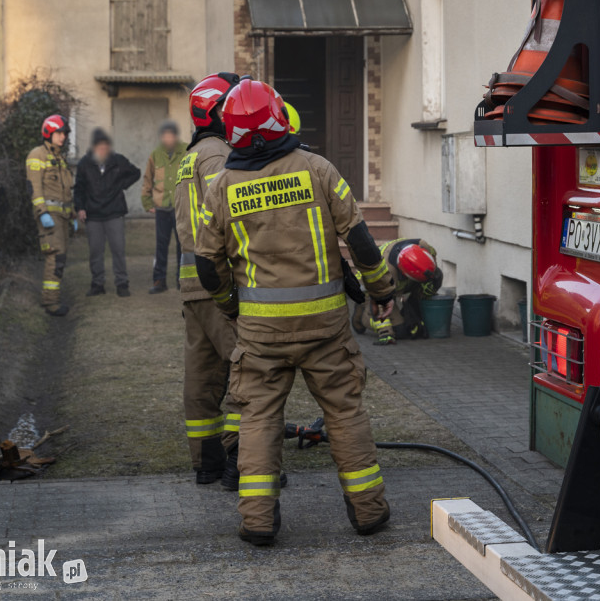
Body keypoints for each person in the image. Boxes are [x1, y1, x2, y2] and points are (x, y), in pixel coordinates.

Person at [194, 79, 395, 546]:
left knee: (258, 420)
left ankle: (258, 521)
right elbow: (361, 241)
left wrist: (229, 307)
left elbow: (208, 265)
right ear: (277, 117)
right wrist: (381, 287)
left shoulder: (222, 186)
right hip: (326, 330)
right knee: (345, 413)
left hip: (261, 335)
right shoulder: (317, 168)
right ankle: (368, 512)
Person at [174, 72, 244, 485]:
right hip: (220, 283)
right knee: (244, 370)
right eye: (230, 104)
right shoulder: (217, 154)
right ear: (215, 110)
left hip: (192, 288)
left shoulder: (189, 157)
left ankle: (207, 464)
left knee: (200, 379)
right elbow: (228, 212)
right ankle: (242, 462)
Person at [74, 128, 141, 297]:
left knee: (118, 249)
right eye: (100, 146)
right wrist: (80, 208)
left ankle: (122, 284)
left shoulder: (118, 161)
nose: (103, 149)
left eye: (106, 146)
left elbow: (136, 172)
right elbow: (79, 189)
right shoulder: (84, 164)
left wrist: (121, 185)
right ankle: (97, 284)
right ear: (94, 147)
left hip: (114, 212)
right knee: (96, 251)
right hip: (93, 214)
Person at [26, 115, 75, 317]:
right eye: (59, 133)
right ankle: (50, 302)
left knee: (60, 257)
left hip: (62, 215)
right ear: (48, 133)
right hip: (49, 214)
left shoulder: (60, 157)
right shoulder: (37, 155)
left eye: (64, 133)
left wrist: (71, 215)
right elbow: (34, 188)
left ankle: (53, 298)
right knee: (55, 256)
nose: (62, 137)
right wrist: (42, 212)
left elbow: (65, 190)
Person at [352, 238, 443, 345]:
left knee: (436, 277)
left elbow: (432, 268)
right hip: (371, 288)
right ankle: (363, 315)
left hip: (397, 283)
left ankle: (411, 313)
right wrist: (385, 333)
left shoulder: (423, 246)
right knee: (399, 331)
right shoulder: (385, 274)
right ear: (406, 274)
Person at [142, 120, 188, 294]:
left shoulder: (186, 151)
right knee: (161, 246)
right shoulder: (156, 154)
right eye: (165, 136)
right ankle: (159, 280)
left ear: (175, 136)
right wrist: (147, 202)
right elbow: (147, 179)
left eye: (171, 135)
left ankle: (181, 279)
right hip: (162, 208)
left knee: (182, 246)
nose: (168, 139)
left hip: (180, 208)